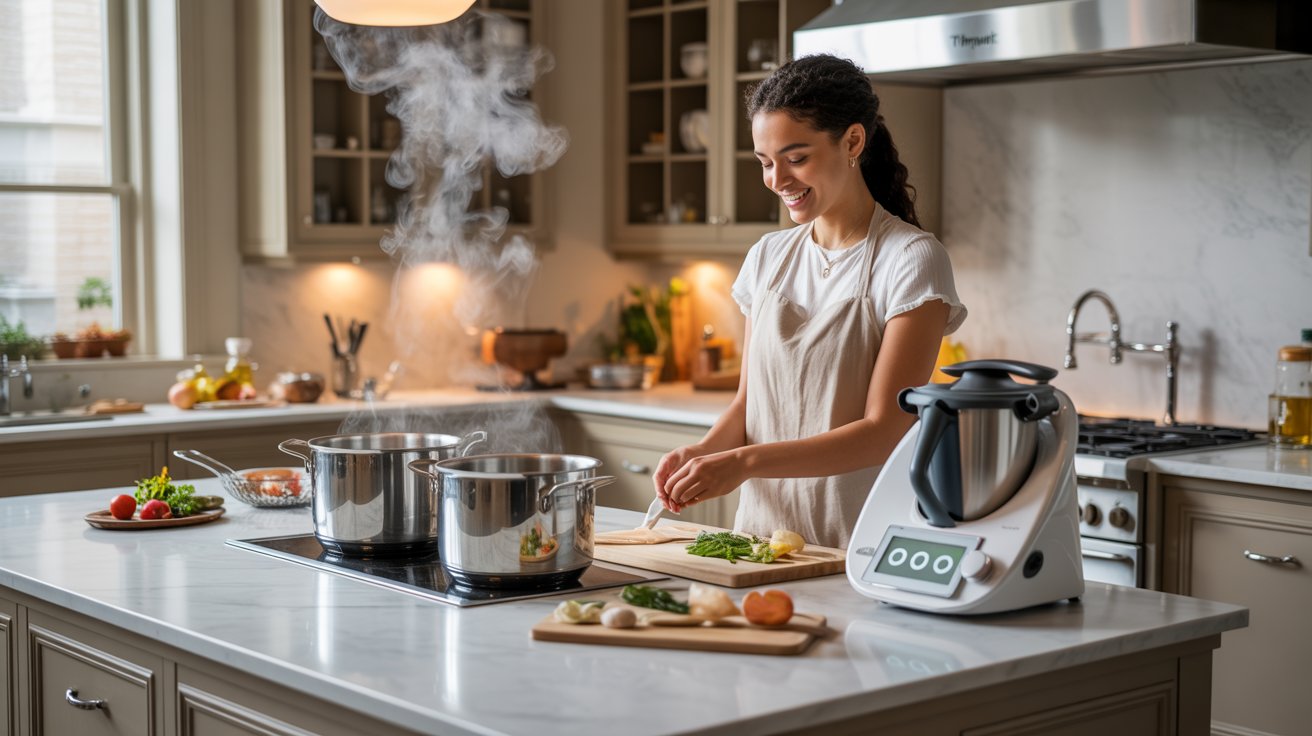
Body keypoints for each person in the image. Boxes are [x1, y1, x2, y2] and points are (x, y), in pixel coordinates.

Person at [652, 54, 967, 550]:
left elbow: (882, 431)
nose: (777, 180)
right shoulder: (768, 257)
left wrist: (744, 462)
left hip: (858, 545)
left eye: (796, 158)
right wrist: (702, 452)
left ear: (853, 142)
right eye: (764, 162)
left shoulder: (910, 259)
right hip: (758, 544)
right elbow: (749, 404)